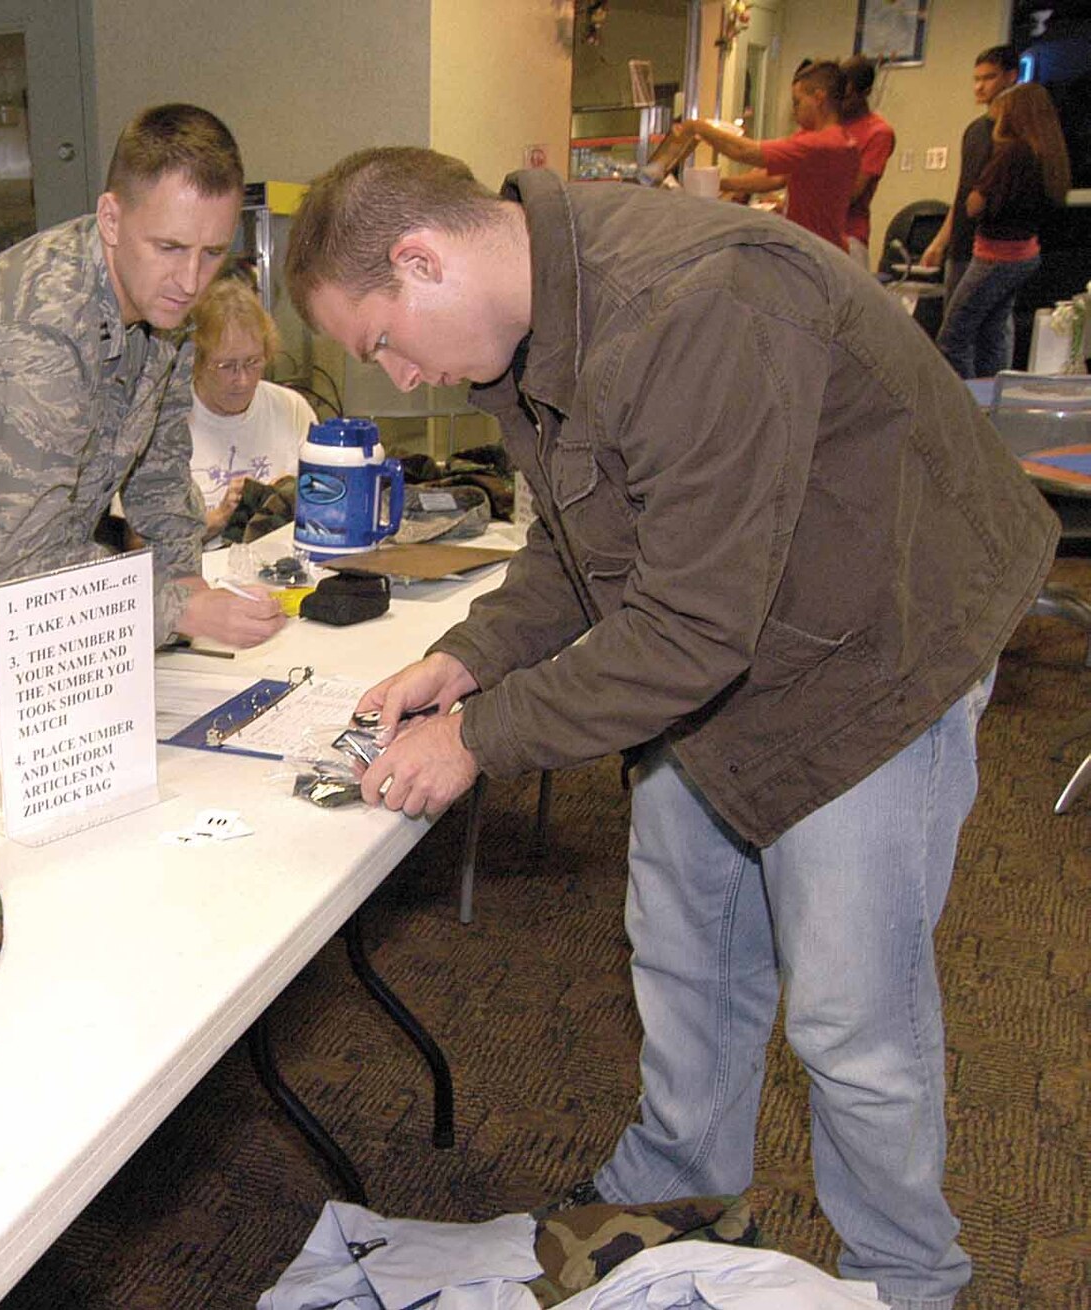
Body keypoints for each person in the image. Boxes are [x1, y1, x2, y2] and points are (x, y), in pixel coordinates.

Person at [283, 147, 1057, 1310]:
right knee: (683, 952)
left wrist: (477, 735)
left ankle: (907, 1274)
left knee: (851, 1020)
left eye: (383, 338)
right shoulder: (536, 325)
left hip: (874, 656)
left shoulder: (696, 302)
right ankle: (677, 1187)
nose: (399, 370)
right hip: (731, 642)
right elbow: (578, 543)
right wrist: (467, 657)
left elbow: (689, 629)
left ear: (421, 259)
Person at [0, 104, 287, 728]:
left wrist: (186, 577)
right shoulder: (30, 338)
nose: (189, 279)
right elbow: (27, 563)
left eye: (211, 253)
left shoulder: (162, 308)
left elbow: (159, 467)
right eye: (170, 247)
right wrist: (176, 609)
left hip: (33, 616)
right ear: (112, 219)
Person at [935, 82, 1070, 379]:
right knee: (992, 335)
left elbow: (973, 205)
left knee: (953, 337)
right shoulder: (1046, 155)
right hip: (1024, 253)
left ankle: (967, 405)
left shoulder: (1011, 154)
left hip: (995, 256)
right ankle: (990, 400)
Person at [182, 275, 318, 543]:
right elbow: (135, 544)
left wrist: (287, 496)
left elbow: (330, 507)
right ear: (197, 362)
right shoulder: (167, 421)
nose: (243, 380)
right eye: (226, 366)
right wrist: (217, 519)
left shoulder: (292, 409)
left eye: (253, 362)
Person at [681, 60, 861, 250]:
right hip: (818, 245)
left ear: (818, 98)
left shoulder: (823, 144)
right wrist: (718, 184)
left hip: (817, 251)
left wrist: (698, 127)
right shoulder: (831, 138)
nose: (794, 111)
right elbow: (774, 178)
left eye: (797, 102)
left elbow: (746, 152)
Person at [919, 44, 1021, 367]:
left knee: (975, 333)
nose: (979, 86)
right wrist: (940, 241)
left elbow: (985, 198)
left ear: (1011, 77)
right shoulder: (976, 131)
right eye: (976, 79)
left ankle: (978, 404)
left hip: (992, 248)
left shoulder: (1016, 136)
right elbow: (963, 194)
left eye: (988, 78)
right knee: (964, 327)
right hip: (962, 245)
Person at [837, 55, 897, 269]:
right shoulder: (828, 124)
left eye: (847, 97)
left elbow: (852, 193)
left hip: (849, 236)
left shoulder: (878, 133)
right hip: (814, 232)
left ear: (866, 93)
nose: (840, 103)